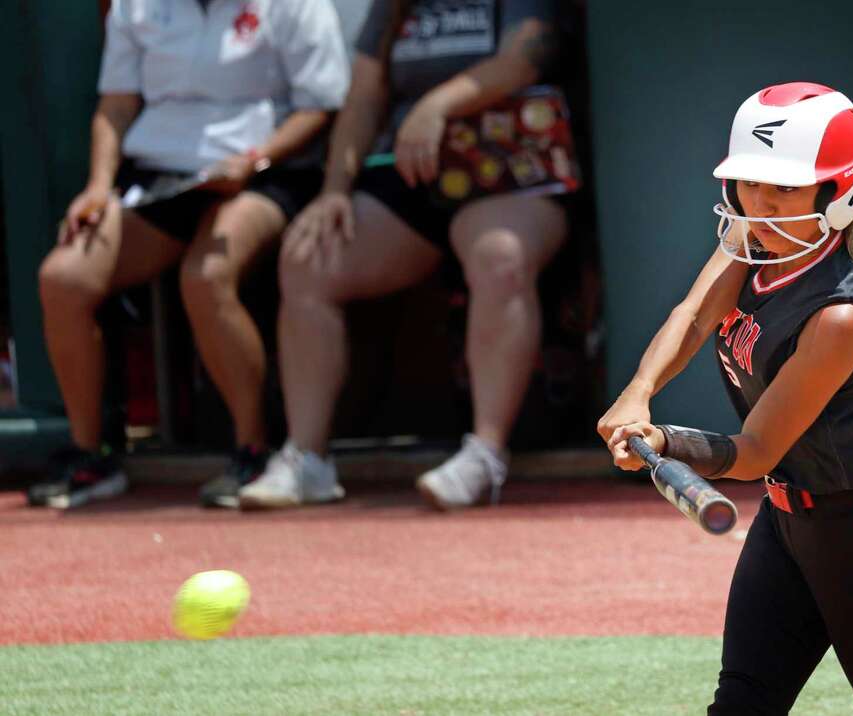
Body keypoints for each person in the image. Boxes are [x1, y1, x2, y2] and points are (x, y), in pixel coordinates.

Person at [600, 83, 853, 715]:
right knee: (742, 705)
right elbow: (691, 318)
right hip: (787, 520)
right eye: (749, 183)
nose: (760, 203)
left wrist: (666, 441)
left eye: (785, 189)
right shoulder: (752, 240)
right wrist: (638, 393)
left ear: (838, 192)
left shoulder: (840, 314)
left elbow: (754, 449)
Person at [238, 0, 568, 510]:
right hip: (415, 175)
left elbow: (522, 59)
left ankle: (485, 453)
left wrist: (436, 105)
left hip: (511, 169)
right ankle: (306, 459)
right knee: (309, 257)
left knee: (499, 255)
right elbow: (365, 94)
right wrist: (335, 190)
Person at [29, 0, 349, 509]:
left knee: (207, 275)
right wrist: (97, 186)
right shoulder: (135, 6)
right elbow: (115, 106)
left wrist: (254, 160)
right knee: (63, 278)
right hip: (161, 179)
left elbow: (320, 107)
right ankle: (91, 455)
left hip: (266, 173)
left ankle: (251, 449)